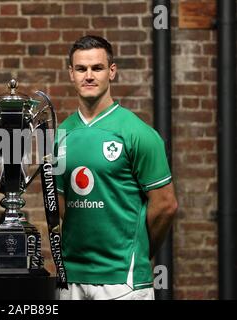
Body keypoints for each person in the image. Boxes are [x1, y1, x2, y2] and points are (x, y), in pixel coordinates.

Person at [55, 35, 178, 300]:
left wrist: (139, 249)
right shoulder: (59, 135)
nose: (88, 76)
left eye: (97, 68)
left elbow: (166, 205)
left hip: (123, 280)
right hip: (71, 277)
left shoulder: (138, 133)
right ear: (71, 74)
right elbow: (61, 206)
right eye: (81, 69)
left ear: (112, 71)